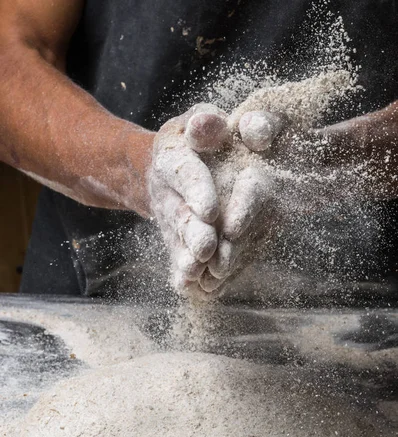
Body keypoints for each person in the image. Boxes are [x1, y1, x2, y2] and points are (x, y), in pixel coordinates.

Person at [0, 0, 397, 299]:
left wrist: (330, 159)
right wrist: (136, 168)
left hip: (364, 319)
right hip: (88, 289)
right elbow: (10, 52)